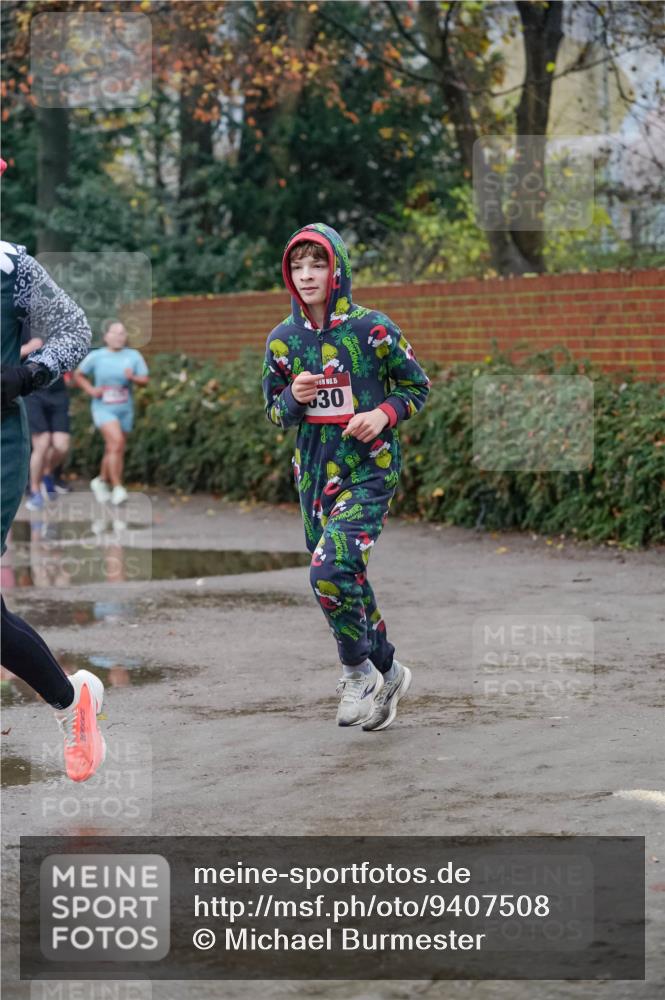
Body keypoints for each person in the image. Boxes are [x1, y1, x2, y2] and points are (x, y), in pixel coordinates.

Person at [262, 223, 430, 730]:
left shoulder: (373, 329)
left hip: (370, 470)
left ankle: (356, 672)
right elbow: (274, 413)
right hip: (313, 476)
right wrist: (294, 398)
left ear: (338, 270)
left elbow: (416, 387)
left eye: (318, 264)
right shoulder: (282, 341)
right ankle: (391, 669)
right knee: (343, 577)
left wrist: (382, 414)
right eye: (298, 265)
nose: (308, 275)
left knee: (327, 569)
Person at [0, 224, 106, 782]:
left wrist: (26, 375)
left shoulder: (12, 268)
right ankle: (74, 700)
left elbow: (74, 329)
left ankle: (72, 708)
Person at [72, 320, 149, 505]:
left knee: (115, 448)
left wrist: (133, 377)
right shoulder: (97, 356)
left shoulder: (133, 355)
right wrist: (91, 390)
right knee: (117, 442)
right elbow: (78, 375)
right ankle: (118, 487)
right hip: (103, 408)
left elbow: (145, 380)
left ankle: (100, 481)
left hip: (124, 409)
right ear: (106, 337)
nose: (119, 337)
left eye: (122, 333)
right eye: (115, 333)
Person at [19, 330, 72, 509]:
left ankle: (47, 474)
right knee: (42, 443)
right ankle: (34, 491)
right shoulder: (18, 322)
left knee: (62, 445)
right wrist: (28, 348)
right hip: (32, 392)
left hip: (57, 392)